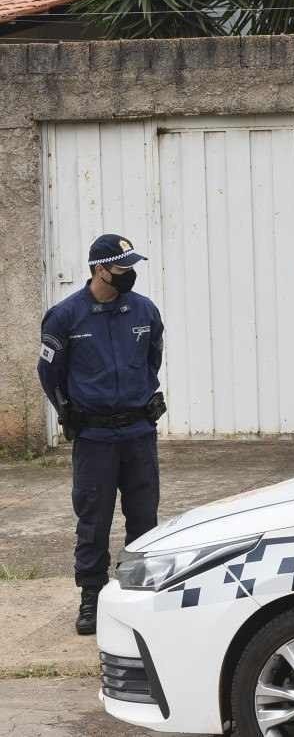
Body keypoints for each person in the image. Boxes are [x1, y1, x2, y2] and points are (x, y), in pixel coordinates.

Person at [37, 234, 165, 635]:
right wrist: (68, 412)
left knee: (144, 517)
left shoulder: (144, 310)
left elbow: (153, 358)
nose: (130, 274)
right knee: (93, 520)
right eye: (123, 267)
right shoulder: (65, 317)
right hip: (95, 437)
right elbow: (49, 373)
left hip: (138, 432)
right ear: (100, 269)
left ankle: (138, 593)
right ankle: (92, 596)